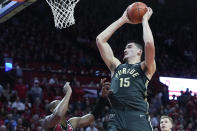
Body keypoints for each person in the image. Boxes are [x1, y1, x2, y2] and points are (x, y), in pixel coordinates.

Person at [96, 6, 156, 131]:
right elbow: (100, 40)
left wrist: (144, 20)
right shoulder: (116, 66)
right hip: (115, 116)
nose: (125, 49)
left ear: (139, 51)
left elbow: (149, 44)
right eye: (125, 48)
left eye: (129, 47)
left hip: (137, 116)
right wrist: (122, 19)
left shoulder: (145, 66)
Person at [40, 80, 110, 131]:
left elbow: (92, 116)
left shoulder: (71, 122)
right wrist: (68, 92)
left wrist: (102, 97)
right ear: (52, 110)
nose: (62, 103)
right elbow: (58, 114)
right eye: (59, 103)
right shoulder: (46, 122)